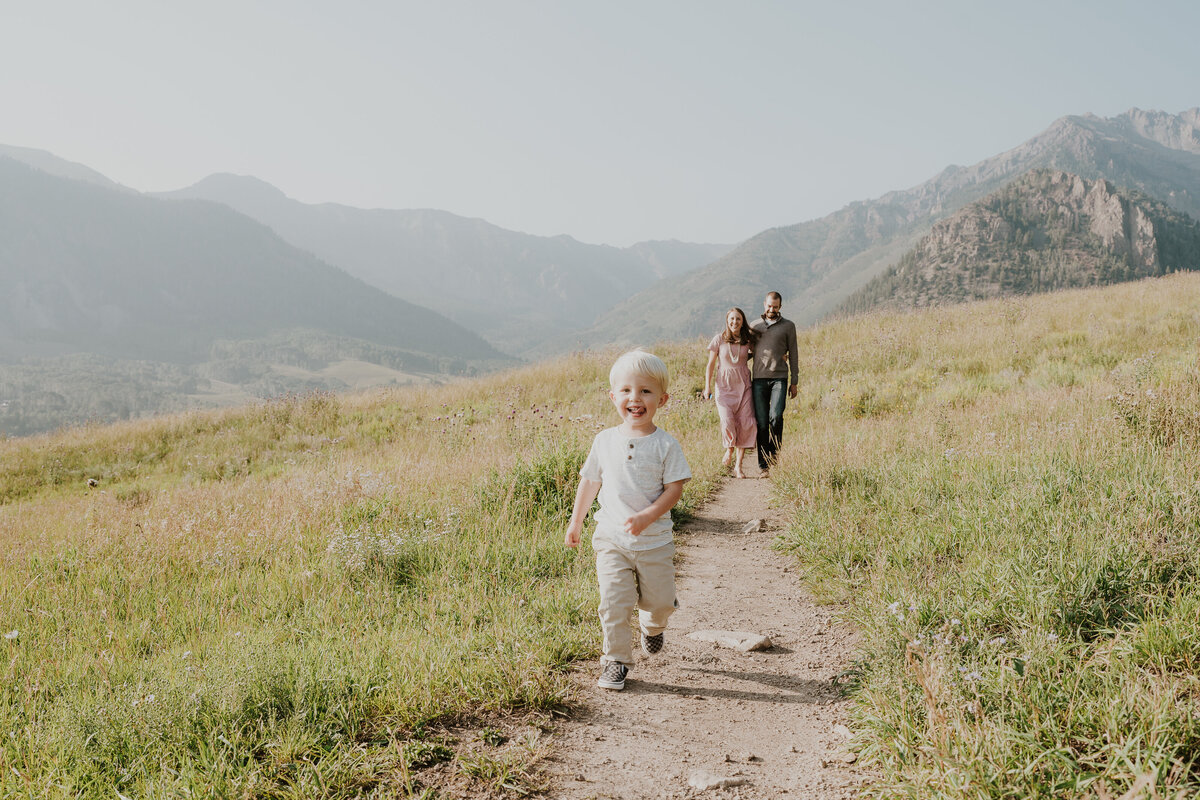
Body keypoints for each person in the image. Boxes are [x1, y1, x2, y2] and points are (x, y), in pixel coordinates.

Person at [564, 349, 692, 691]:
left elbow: (674, 489)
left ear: (662, 399)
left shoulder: (666, 445)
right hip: (611, 539)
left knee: (660, 602)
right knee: (613, 602)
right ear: (613, 396)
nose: (635, 398)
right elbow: (590, 481)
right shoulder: (604, 441)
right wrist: (576, 522)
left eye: (645, 391)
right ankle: (616, 660)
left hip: (654, 542)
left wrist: (648, 516)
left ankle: (653, 625)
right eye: (626, 391)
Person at [703, 307, 757, 478]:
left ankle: (739, 466)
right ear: (727, 321)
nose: (735, 322)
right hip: (724, 387)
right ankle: (729, 449)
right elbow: (710, 364)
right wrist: (707, 387)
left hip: (744, 386)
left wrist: (781, 356)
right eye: (732, 319)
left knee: (745, 423)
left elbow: (762, 354)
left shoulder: (747, 340)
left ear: (743, 322)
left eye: (738, 319)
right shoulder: (718, 339)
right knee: (727, 420)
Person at [749, 291, 799, 474]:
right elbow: (746, 351)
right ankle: (763, 465)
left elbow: (793, 353)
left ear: (780, 307)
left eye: (775, 307)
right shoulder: (754, 326)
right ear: (764, 304)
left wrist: (795, 381)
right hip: (759, 380)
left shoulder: (788, 326)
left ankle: (774, 453)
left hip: (780, 378)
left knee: (776, 417)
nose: (772, 309)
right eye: (769, 306)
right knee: (762, 423)